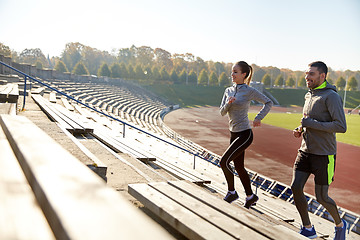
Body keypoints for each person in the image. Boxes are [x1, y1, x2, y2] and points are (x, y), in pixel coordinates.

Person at [291, 61, 348, 239]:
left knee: (322, 197)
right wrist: (301, 129)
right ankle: (308, 228)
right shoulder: (309, 95)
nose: (307, 77)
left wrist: (311, 124)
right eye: (307, 74)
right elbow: (309, 120)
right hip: (305, 151)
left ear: (322, 76)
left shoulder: (331, 96)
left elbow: (341, 126)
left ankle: (340, 224)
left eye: (312, 74)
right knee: (295, 187)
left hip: (324, 155)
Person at [219, 61, 273, 208]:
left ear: (244, 74)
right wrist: (228, 103)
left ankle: (232, 192)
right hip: (233, 134)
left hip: (245, 134)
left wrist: (258, 117)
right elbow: (222, 112)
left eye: (236, 72)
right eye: (232, 71)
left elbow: (268, 102)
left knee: (223, 162)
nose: (232, 74)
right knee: (239, 167)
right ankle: (250, 196)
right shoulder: (228, 91)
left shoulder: (249, 91)